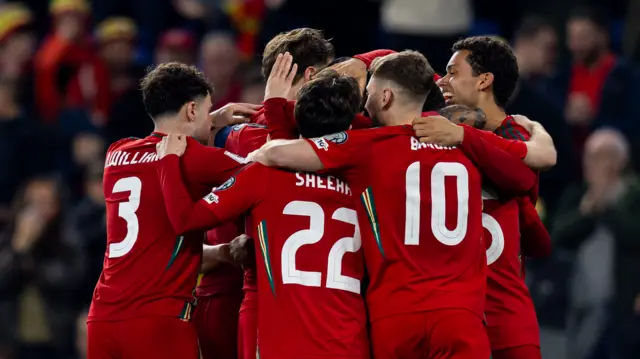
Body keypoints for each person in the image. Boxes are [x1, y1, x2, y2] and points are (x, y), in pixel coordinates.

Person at [248, 51, 545, 359]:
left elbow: (277, 154)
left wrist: (274, 110)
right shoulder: (466, 144)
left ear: (385, 96)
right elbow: (527, 176)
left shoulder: (369, 147)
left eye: (370, 93)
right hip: (460, 315)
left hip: (397, 315)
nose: (365, 102)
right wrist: (537, 132)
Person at [155, 71, 370, 359]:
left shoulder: (263, 174)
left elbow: (186, 220)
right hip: (347, 336)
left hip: (280, 336)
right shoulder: (365, 179)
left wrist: (168, 162)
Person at [86, 62, 255, 359]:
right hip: (158, 323)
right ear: (191, 110)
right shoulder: (194, 158)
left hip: (102, 320)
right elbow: (261, 172)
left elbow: (156, 243)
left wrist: (211, 119)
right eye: (206, 109)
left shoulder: (116, 153)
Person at [430, 35, 547, 359]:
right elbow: (405, 69)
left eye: (453, 72)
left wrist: (464, 136)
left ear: (484, 80)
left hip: (503, 318)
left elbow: (526, 175)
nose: (443, 81)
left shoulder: (514, 136)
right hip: (452, 316)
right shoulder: (441, 131)